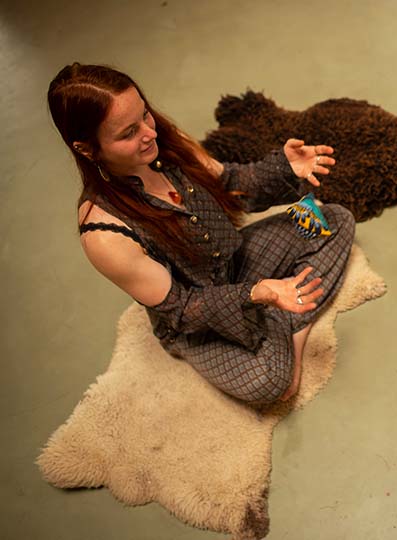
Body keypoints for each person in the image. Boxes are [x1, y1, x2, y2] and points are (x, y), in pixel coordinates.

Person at [48, 63, 355, 406]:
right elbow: (182, 309)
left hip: (233, 262)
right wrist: (256, 293)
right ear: (87, 149)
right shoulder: (103, 233)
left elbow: (233, 184)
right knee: (269, 382)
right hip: (196, 321)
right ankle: (288, 327)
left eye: (145, 115)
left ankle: (282, 324)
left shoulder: (165, 141)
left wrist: (283, 166)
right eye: (128, 133)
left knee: (334, 219)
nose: (149, 133)